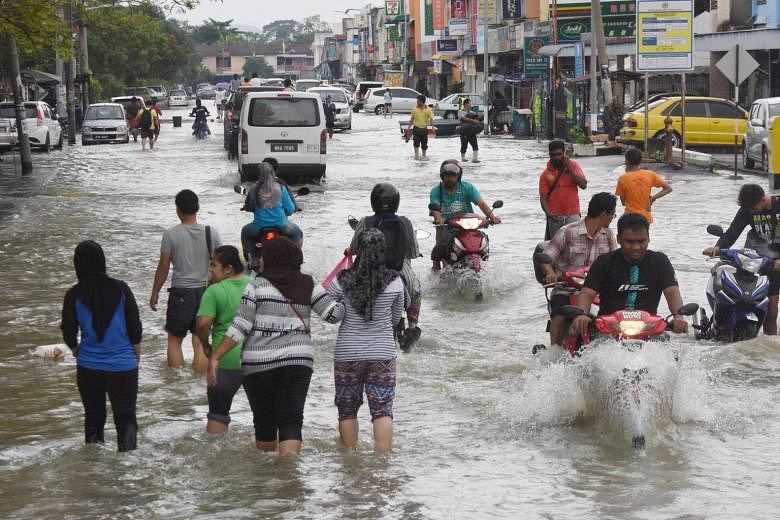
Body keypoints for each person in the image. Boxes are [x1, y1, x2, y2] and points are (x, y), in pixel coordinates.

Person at [207, 237, 345, 456]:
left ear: (272, 258)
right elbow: (333, 315)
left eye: (264, 255)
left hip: (258, 365)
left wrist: (215, 357)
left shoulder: (255, 285)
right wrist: (348, 291)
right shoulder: (308, 284)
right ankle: (288, 479)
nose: (260, 260)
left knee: (264, 423)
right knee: (291, 421)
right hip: (298, 363)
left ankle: (268, 482)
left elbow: (240, 326)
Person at [327, 229, 405, 452]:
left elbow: (328, 310)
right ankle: (382, 459)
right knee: (382, 410)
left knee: (347, 410)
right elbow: (395, 318)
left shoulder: (341, 280)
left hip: (347, 354)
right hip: (383, 353)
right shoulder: (395, 282)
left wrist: (343, 309)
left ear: (358, 249)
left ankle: (350, 456)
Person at [61, 241, 142, 452]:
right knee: (126, 418)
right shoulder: (122, 289)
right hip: (123, 366)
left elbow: (69, 332)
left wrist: (76, 349)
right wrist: (135, 356)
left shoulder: (73, 294)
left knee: (94, 419)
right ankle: (128, 466)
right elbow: (135, 328)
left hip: (89, 367)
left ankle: (93, 471)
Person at [572, 213, 689, 337]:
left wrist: (678, 316)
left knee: (671, 354)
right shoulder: (604, 262)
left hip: (649, 330)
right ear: (618, 239)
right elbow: (587, 293)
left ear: (649, 239)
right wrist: (582, 315)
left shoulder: (660, 261)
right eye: (630, 242)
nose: (636, 247)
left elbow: (672, 292)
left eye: (641, 241)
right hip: (608, 330)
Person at [150, 189, 222, 372]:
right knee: (199, 340)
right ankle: (197, 385)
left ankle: (176, 385)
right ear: (197, 208)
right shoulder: (210, 232)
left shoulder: (171, 234)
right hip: (206, 292)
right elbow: (220, 263)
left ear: (178, 210)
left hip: (181, 293)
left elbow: (164, 266)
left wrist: (155, 292)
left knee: (175, 340)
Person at [345, 183, 422, 350]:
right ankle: (412, 327)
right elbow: (413, 252)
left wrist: (348, 251)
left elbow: (355, 248)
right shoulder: (406, 222)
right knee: (416, 289)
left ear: (373, 201)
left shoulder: (365, 221)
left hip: (370, 272)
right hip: (401, 270)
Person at [538, 192, 619, 346]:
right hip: (566, 289)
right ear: (604, 214)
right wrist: (549, 273)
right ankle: (554, 351)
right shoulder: (567, 231)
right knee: (559, 315)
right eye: (612, 215)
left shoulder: (608, 235)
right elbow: (546, 257)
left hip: (596, 293)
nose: (612, 219)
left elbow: (615, 263)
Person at [703, 184, 780, 335]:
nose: (751, 211)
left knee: (771, 310)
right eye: (749, 209)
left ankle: (770, 344)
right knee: (740, 299)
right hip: (754, 262)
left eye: (754, 208)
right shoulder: (747, 209)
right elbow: (733, 231)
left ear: (763, 199)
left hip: (775, 265)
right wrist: (717, 248)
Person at [196, 246, 251, 434]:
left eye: (214, 265)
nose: (211, 269)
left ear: (228, 269)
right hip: (255, 358)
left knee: (218, 414)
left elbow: (203, 324)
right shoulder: (255, 285)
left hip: (224, 358)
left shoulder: (214, 291)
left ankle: (213, 459)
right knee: (264, 414)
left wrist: (205, 346)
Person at [429, 159, 502, 271]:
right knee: (440, 246)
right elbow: (435, 208)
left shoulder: (468, 187)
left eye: (452, 175)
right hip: (447, 227)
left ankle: (484, 265)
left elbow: (481, 203)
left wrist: (492, 217)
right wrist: (439, 219)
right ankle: (436, 269)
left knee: (484, 239)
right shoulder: (436, 191)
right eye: (446, 175)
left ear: (458, 176)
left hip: (468, 226)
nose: (449, 178)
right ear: (442, 176)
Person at [240, 162, 302, 266]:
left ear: (258, 175)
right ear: (273, 173)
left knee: (245, 233)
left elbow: (250, 206)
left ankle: (253, 259)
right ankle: (294, 259)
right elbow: (290, 209)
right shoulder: (281, 188)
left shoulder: (254, 189)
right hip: (282, 226)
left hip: (258, 227)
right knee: (297, 233)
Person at [539, 139, 588, 240]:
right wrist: (549, 214)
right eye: (553, 155)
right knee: (556, 247)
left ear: (564, 153)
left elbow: (583, 185)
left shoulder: (573, 166)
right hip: (555, 217)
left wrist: (570, 170)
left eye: (559, 154)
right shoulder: (545, 174)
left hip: (573, 214)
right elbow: (543, 198)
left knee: (576, 243)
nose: (557, 157)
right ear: (549, 155)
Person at [615, 148, 672, 224]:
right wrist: (652, 199)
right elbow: (668, 189)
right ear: (640, 161)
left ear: (627, 161)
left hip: (629, 217)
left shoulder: (622, 178)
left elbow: (623, 202)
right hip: (645, 217)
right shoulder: (650, 174)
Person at [406, 94, 436, 161]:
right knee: (416, 144)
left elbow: (431, 119)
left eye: (418, 101)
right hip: (416, 129)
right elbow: (412, 119)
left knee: (424, 145)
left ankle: (424, 157)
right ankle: (416, 157)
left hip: (424, 129)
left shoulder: (428, 109)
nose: (417, 102)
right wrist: (408, 128)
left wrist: (433, 128)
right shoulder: (414, 108)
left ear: (422, 102)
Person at [458, 98, 481, 163]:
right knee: (464, 145)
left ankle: (475, 158)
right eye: (470, 103)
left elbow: (477, 120)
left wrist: (477, 121)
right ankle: (463, 158)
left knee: (475, 145)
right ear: (466, 104)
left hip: (472, 131)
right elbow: (464, 118)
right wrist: (473, 120)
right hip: (464, 131)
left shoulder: (472, 113)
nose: (471, 104)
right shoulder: (460, 112)